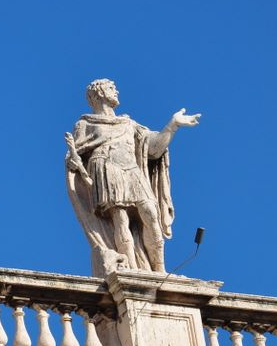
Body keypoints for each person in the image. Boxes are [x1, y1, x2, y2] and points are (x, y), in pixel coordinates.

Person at [65, 78, 199, 276]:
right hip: (106, 167)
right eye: (111, 88)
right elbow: (74, 157)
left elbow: (153, 149)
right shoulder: (85, 124)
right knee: (121, 219)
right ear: (99, 93)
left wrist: (172, 126)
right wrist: (74, 162)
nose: (116, 91)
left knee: (151, 213)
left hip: (132, 168)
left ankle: (160, 270)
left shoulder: (129, 123)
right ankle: (130, 270)